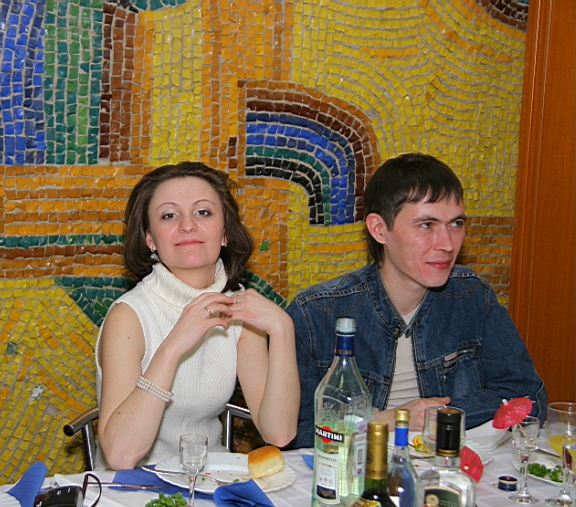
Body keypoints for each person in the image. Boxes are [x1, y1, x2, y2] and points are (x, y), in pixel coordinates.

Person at [286, 153, 547, 447]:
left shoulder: (473, 295)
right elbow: (294, 433)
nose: (447, 244)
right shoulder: (317, 313)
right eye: (426, 225)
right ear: (379, 229)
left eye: (456, 223)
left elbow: (527, 397)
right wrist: (388, 420)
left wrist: (440, 418)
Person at [96, 162, 299, 469]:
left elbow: (279, 433)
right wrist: (173, 347)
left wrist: (283, 329)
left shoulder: (239, 311)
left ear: (225, 233)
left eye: (203, 212)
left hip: (211, 479)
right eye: (169, 215)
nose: (187, 225)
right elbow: (120, 456)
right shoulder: (129, 316)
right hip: (136, 486)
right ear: (150, 238)